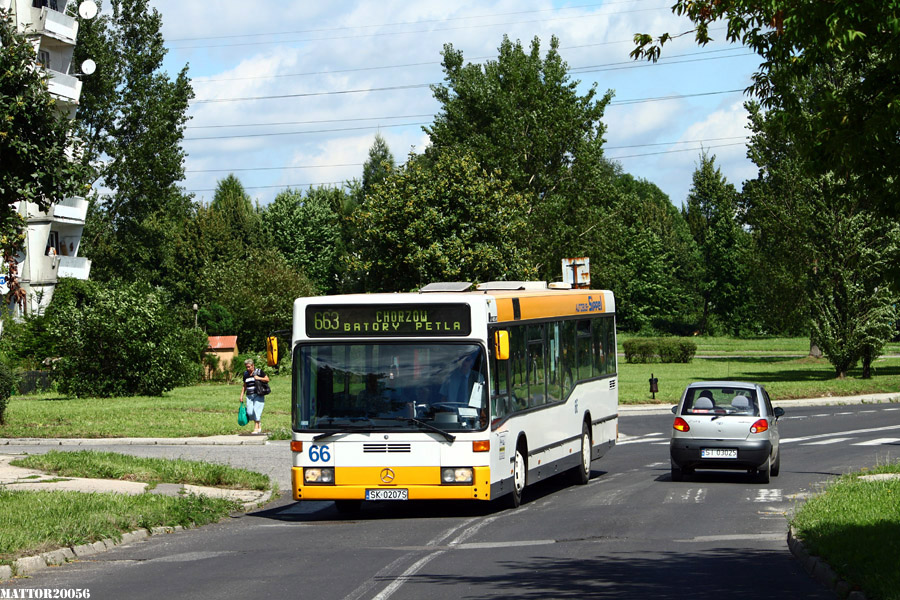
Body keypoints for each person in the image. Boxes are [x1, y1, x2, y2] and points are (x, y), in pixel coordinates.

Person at [239, 358, 269, 434]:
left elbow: (267, 379)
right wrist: (241, 395)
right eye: (246, 367)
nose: (248, 368)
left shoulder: (259, 371)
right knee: (249, 412)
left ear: (253, 365)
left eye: (249, 367)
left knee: (256, 410)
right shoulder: (245, 374)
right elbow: (244, 385)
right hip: (249, 395)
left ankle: (256, 427)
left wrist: (259, 378)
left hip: (258, 394)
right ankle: (258, 423)